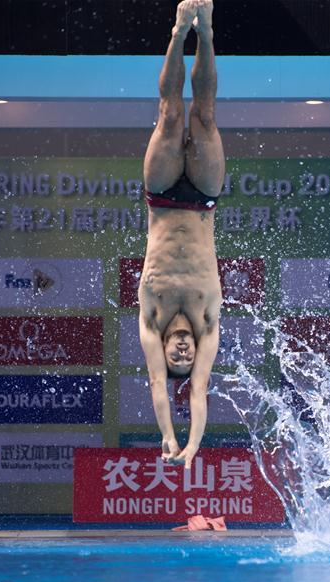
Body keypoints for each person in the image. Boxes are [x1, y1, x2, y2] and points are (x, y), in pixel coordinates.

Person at [139, 0, 224, 469]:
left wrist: (170, 440)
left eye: (177, 357)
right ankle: (206, 34)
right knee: (204, 117)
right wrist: (195, 446)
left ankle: (177, 32)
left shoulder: (152, 322)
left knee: (171, 115)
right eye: (185, 357)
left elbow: (158, 386)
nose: (183, 352)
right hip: (203, 200)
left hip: (162, 196)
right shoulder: (207, 323)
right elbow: (199, 388)